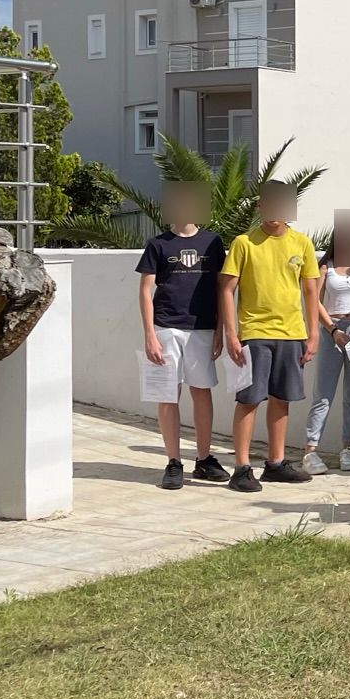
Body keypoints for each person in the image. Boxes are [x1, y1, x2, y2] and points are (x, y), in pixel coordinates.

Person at [218, 182, 321, 492]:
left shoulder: (302, 243)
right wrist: (231, 334)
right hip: (254, 333)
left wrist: (313, 333)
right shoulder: (244, 243)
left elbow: (311, 291)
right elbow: (227, 289)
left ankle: (275, 464)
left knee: (281, 399)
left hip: (292, 334)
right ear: (260, 205)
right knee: (249, 400)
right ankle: (241, 468)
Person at [135, 191, 229, 489]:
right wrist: (150, 334)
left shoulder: (213, 243)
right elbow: (145, 291)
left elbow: (222, 288)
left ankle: (204, 459)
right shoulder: (158, 244)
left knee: (202, 391)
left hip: (202, 328)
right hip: (166, 327)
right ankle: (173, 462)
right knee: (168, 394)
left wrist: (220, 329)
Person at [303, 224, 350, 474]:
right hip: (333, 330)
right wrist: (333, 330)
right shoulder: (326, 265)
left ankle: (347, 448)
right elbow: (313, 299)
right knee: (323, 393)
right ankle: (311, 449)